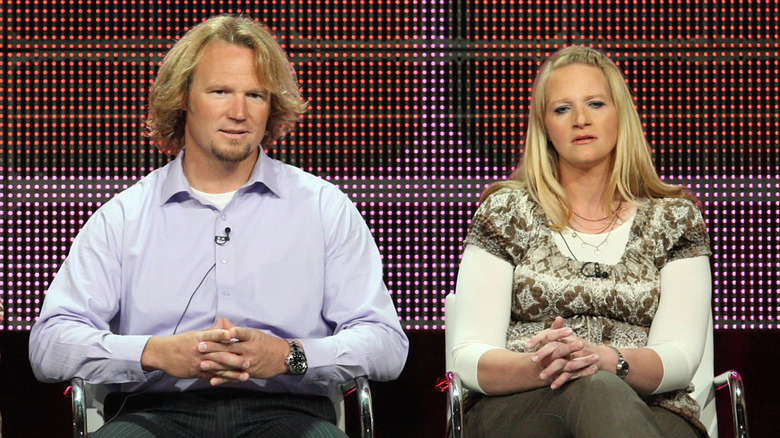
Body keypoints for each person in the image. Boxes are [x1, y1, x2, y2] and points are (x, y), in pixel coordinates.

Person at [29, 14, 408, 437]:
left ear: (272, 108)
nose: (239, 112)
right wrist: (153, 352)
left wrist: (290, 355)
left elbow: (386, 344)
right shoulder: (124, 216)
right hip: (152, 414)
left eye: (256, 95)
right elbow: (49, 344)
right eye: (220, 91)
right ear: (183, 99)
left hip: (291, 413)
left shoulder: (323, 207)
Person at [450, 45, 711, 438]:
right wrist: (545, 365)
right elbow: (468, 355)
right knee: (596, 390)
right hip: (524, 404)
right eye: (562, 109)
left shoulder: (674, 218)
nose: (581, 120)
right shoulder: (506, 212)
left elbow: (681, 355)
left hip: (652, 407)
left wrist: (608, 360)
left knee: (605, 390)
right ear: (545, 127)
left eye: (595, 103)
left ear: (620, 115)